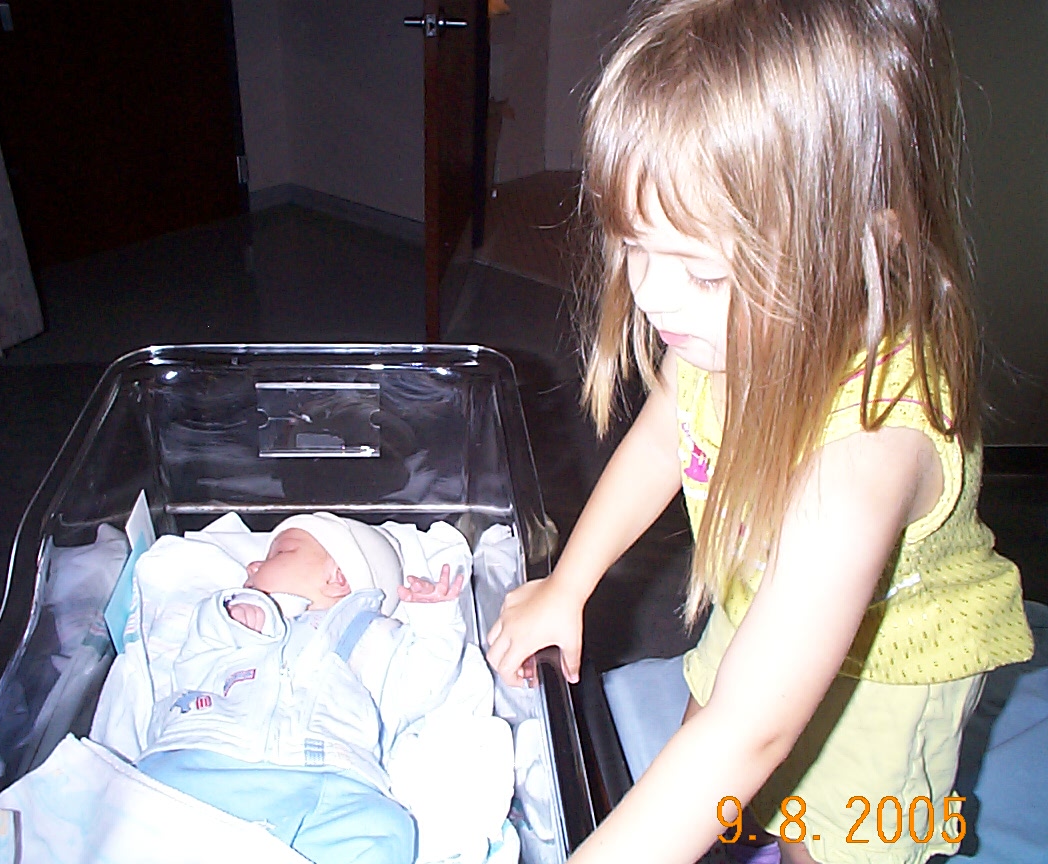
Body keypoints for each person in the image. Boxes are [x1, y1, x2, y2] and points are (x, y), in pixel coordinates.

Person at [484, 2, 1035, 863]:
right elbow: (665, 435)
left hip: (892, 670)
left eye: (703, 270)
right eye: (634, 246)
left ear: (860, 248)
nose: (653, 294)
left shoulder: (866, 448)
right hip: (756, 599)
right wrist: (569, 582)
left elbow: (753, 733)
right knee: (709, 768)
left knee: (822, 834)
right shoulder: (728, 328)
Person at [137, 512, 465, 864]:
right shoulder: (237, 627)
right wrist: (224, 619)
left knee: (389, 827)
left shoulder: (377, 638)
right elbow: (191, 668)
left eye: (279, 553)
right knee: (144, 801)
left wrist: (436, 622)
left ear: (337, 578)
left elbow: (421, 686)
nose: (252, 565)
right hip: (207, 759)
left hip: (329, 778)